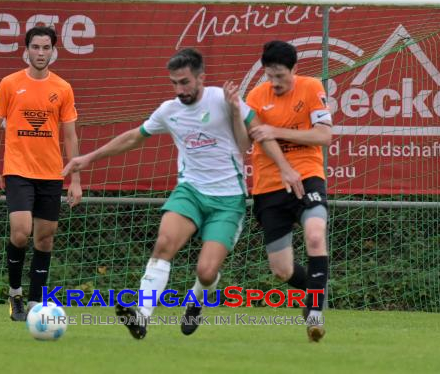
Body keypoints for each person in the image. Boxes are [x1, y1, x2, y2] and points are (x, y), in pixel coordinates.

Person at [63, 48, 295, 340]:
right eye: (174, 83)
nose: (179, 89)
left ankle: (195, 301)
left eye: (184, 82)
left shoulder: (223, 100)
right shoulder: (168, 110)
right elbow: (133, 136)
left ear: (201, 78)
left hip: (227, 200)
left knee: (206, 273)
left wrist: (284, 167)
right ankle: (142, 314)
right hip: (190, 192)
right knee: (164, 244)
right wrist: (87, 159)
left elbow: (252, 138)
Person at [0, 26, 82, 321]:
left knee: (45, 239)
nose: (40, 53)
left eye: (46, 48)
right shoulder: (9, 84)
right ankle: (14, 294)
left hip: (51, 174)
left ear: (53, 51)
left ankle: (34, 302)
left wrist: (75, 179)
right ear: (26, 50)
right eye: (36, 47)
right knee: (20, 231)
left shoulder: (62, 88)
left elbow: (70, 135)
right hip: (18, 171)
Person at [246, 40, 333, 342]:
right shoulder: (256, 96)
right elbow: (251, 139)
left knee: (315, 235)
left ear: (295, 70)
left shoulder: (311, 88)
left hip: (307, 175)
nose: (275, 82)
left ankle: (315, 313)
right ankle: (316, 288)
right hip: (269, 186)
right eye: (270, 75)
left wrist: (276, 131)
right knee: (281, 270)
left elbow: (324, 136)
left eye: (280, 75)